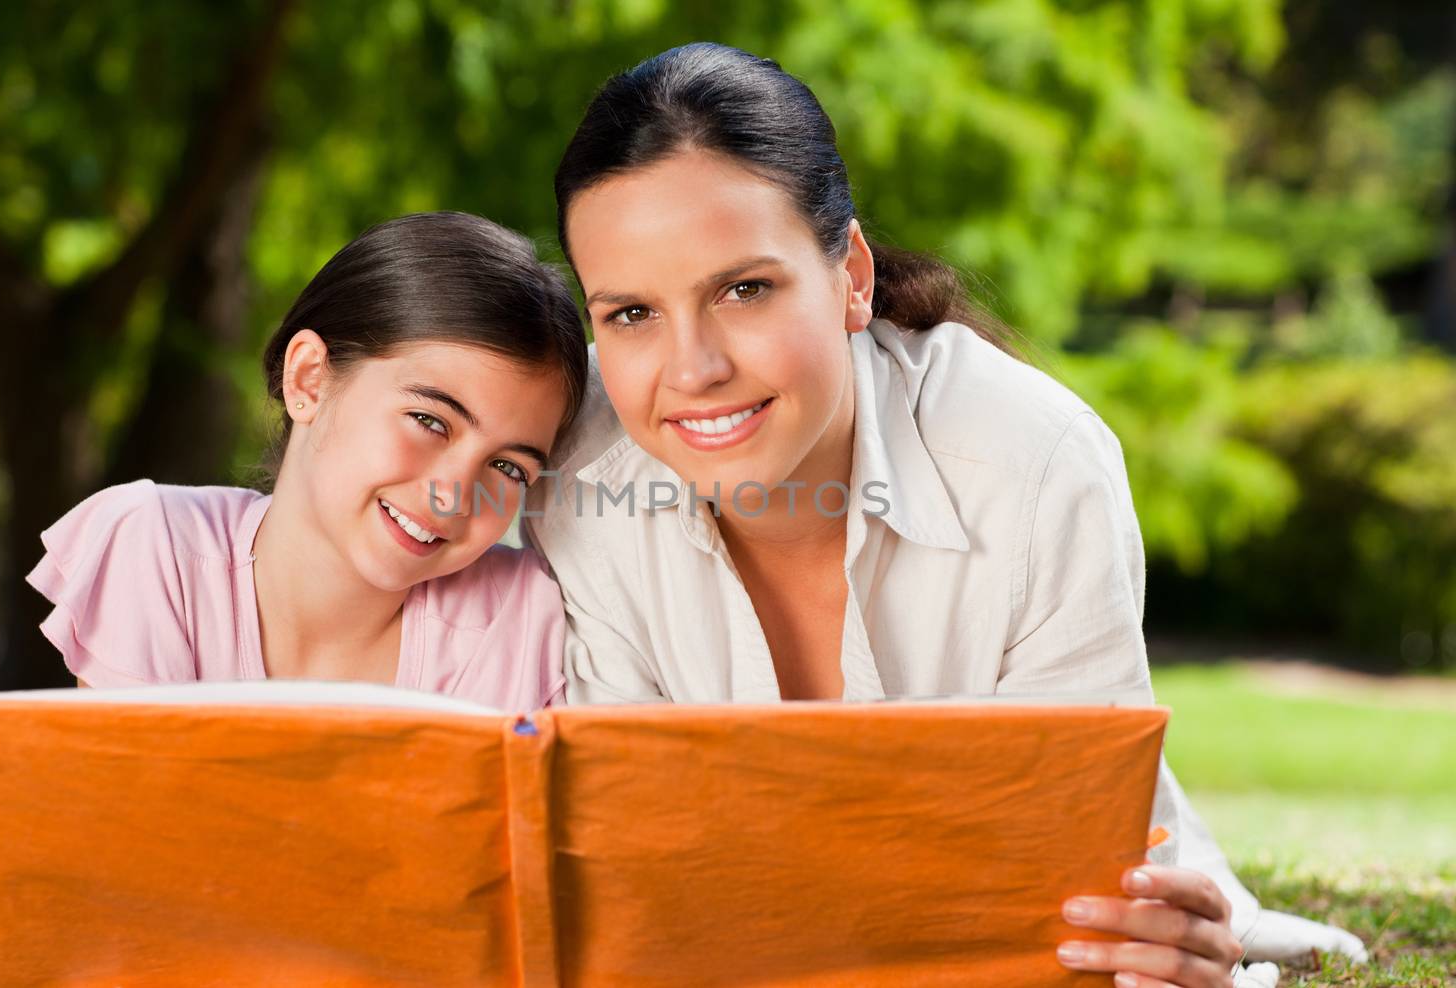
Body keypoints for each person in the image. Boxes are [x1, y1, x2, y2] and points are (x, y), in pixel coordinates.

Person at [527, 42, 1362, 986]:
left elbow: (1068, 876)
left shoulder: (1036, 464)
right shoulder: (578, 477)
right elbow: (640, 870)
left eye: (743, 289)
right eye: (631, 314)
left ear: (851, 278)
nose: (693, 370)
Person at [29, 212, 586, 712]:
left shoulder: (512, 619)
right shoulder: (156, 550)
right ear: (309, 379)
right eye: (430, 421)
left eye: (509, 467)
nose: (456, 494)